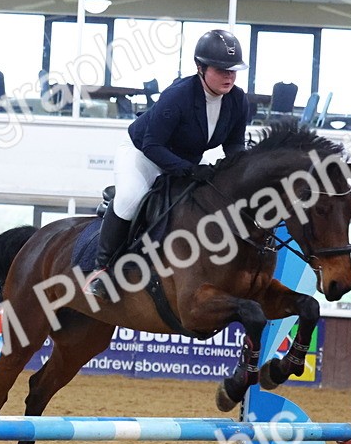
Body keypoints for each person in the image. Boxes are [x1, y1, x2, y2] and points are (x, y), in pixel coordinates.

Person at [85, 29, 251, 299]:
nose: (229, 76)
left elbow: (233, 145)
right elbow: (152, 145)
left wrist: (240, 174)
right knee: (130, 197)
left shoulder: (237, 99)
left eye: (233, 70)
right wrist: (188, 169)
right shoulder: (179, 95)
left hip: (185, 160)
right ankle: (102, 270)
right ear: (200, 68)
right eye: (221, 70)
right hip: (142, 153)